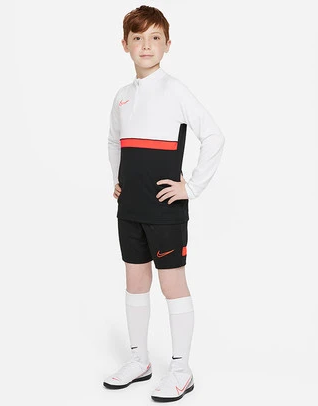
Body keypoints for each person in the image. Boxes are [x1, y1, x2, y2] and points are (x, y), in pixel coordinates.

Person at [103, 4, 225, 402]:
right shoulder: (123, 96)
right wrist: (118, 179)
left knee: (172, 285)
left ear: (167, 44)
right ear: (125, 45)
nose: (146, 45)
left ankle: (181, 369)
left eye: (155, 37)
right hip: (130, 209)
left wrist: (192, 187)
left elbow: (214, 137)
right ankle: (139, 360)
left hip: (165, 210)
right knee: (135, 282)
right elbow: (114, 141)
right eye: (137, 38)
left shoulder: (175, 90)